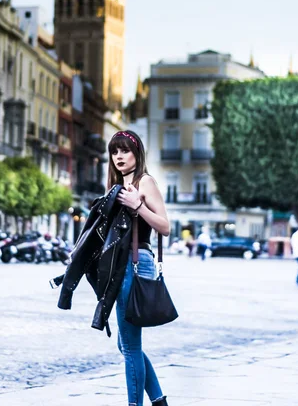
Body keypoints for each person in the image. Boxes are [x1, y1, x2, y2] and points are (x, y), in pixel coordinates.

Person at [110, 130, 170, 406]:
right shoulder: (119, 184)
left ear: (137, 154)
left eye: (125, 151)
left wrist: (138, 206)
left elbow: (165, 227)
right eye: (115, 151)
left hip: (135, 263)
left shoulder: (144, 182)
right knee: (127, 344)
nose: (119, 156)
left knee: (130, 345)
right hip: (121, 264)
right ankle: (158, 401)